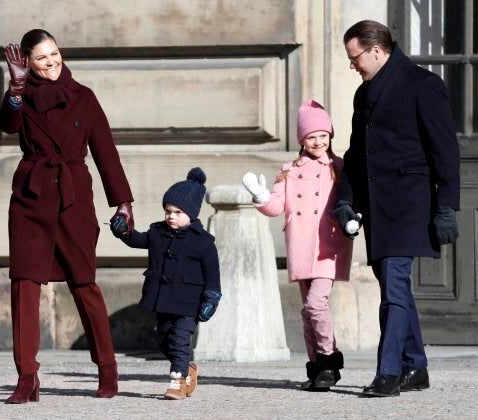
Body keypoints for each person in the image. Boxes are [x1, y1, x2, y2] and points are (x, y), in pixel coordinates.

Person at [0, 29, 135, 402]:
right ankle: (27, 377)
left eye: (54, 54)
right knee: (24, 284)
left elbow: (105, 151)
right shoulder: (21, 95)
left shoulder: (83, 97)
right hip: (31, 197)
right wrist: (15, 89)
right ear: (26, 62)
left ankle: (107, 368)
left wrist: (122, 202)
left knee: (84, 283)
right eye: (42, 58)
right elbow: (6, 125)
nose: (52, 62)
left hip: (73, 198)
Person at [337, 20, 460, 397]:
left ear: (376, 50)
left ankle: (388, 373)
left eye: (355, 57)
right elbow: (357, 154)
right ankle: (416, 366)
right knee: (396, 288)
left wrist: (446, 207)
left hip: (409, 205)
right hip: (375, 206)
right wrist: (344, 199)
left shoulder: (424, 85)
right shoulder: (364, 94)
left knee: (392, 287)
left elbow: (446, 150)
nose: (353, 65)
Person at [243, 99, 357, 391]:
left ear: (330, 135)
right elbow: (277, 205)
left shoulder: (340, 167)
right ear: (302, 139)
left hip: (328, 245)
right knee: (308, 309)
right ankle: (317, 368)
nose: (318, 141)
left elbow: (351, 200)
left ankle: (329, 361)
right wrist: (260, 196)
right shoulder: (289, 169)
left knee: (317, 303)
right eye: (311, 136)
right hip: (300, 245)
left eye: (323, 135)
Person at [110, 167, 221, 400]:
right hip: (163, 300)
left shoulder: (203, 243)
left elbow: (212, 274)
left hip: (189, 302)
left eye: (178, 212)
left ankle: (177, 381)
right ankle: (188, 370)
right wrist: (123, 231)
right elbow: (137, 240)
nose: (171, 216)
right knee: (164, 341)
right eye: (168, 211)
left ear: (191, 214)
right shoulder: (157, 232)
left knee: (181, 340)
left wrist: (212, 297)